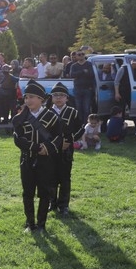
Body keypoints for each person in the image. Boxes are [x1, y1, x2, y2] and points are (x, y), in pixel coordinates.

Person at [12, 80, 63, 234]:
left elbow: (59, 137)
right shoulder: (19, 118)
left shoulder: (52, 117)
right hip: (27, 159)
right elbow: (17, 138)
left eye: (32, 97)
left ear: (41, 99)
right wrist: (35, 147)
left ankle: (41, 224)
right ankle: (30, 223)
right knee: (27, 192)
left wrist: (47, 148)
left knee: (44, 192)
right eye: (26, 97)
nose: (28, 100)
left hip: (46, 160)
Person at [49, 82, 84, 216]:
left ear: (67, 98)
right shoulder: (47, 112)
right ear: (51, 97)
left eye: (62, 95)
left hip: (66, 150)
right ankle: (52, 203)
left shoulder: (72, 112)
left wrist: (69, 141)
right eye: (55, 95)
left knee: (64, 177)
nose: (58, 98)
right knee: (50, 177)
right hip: (51, 150)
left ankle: (64, 205)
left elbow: (81, 128)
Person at [113, 62, 136, 136]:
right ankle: (120, 128)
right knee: (121, 111)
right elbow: (116, 82)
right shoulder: (123, 69)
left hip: (132, 92)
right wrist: (117, 93)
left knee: (134, 110)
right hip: (122, 92)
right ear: (134, 63)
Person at [70, 47, 96, 118]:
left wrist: (79, 74)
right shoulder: (74, 66)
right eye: (79, 54)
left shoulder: (89, 64)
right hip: (77, 89)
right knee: (78, 108)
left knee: (87, 109)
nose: (81, 55)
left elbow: (91, 74)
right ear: (76, 56)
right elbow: (72, 75)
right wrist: (83, 71)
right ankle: (80, 125)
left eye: (82, 54)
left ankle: (86, 124)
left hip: (87, 89)